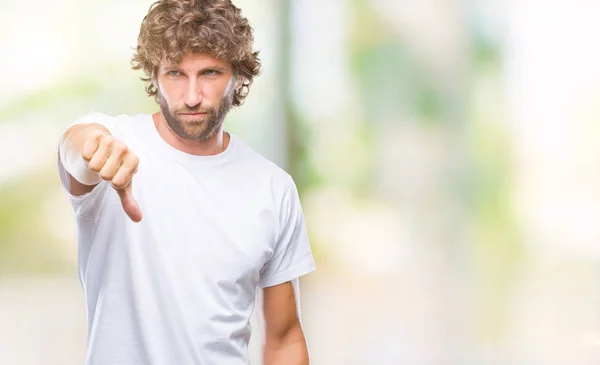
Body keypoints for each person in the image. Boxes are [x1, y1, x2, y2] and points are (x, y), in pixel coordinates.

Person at [56, 1, 316, 364]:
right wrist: (94, 150)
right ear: (154, 75)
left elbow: (284, 338)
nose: (192, 97)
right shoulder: (117, 141)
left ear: (239, 76)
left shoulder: (273, 188)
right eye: (175, 73)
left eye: (210, 73)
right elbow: (76, 148)